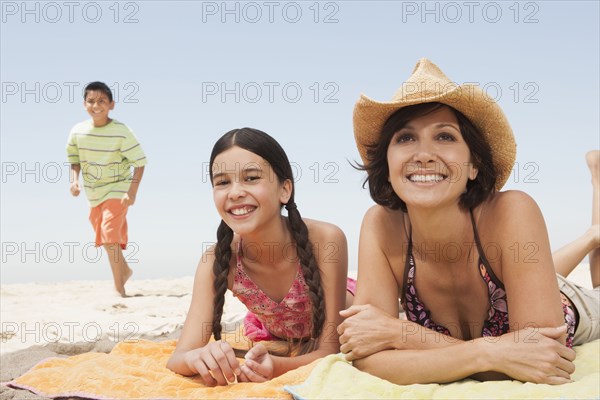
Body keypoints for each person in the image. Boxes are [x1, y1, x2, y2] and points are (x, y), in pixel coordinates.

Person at [337, 58, 599, 385]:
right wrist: (490, 354)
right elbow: (367, 357)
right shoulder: (380, 226)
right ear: (387, 166)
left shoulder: (512, 210)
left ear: (473, 165)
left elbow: (544, 357)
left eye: (445, 137)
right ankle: (592, 235)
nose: (423, 154)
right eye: (405, 138)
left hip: (571, 302)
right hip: (518, 279)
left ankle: (595, 215)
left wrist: (400, 332)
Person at [166, 128, 355, 385]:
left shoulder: (325, 240)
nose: (234, 193)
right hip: (278, 336)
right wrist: (198, 357)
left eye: (251, 178)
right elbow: (179, 357)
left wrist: (277, 367)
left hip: (343, 312)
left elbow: (328, 351)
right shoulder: (216, 261)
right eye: (222, 182)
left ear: (284, 190)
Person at [67, 81, 147, 297]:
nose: (96, 105)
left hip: (118, 188)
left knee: (109, 233)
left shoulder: (121, 131)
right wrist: (74, 181)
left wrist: (132, 192)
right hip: (93, 193)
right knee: (103, 236)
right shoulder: (77, 132)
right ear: (84, 104)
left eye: (102, 101)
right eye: (91, 101)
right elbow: (74, 160)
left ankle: (119, 287)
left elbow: (140, 162)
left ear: (111, 104)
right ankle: (125, 270)